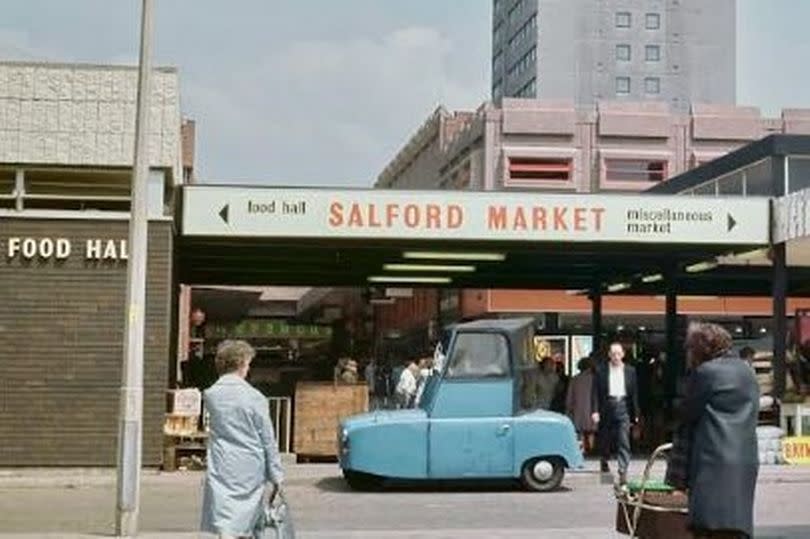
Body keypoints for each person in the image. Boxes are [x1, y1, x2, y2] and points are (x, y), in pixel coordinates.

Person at [665, 323, 759, 539]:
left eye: (690, 349)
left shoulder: (705, 373)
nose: (688, 354)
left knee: (709, 527)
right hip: (744, 461)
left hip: (712, 462)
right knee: (734, 527)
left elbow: (687, 414)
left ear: (700, 349)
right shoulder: (747, 371)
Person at [201, 340, 285, 539]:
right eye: (248, 364)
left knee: (225, 518)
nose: (248, 369)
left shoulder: (211, 395)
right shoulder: (254, 397)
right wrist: (276, 475)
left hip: (221, 461)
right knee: (249, 517)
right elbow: (267, 439)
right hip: (250, 465)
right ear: (241, 364)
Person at [591, 342, 639, 485]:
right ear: (609, 355)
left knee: (623, 439)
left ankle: (622, 471)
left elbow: (634, 393)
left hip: (623, 406)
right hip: (607, 405)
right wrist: (595, 410)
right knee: (605, 440)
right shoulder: (601, 370)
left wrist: (636, 413)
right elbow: (595, 392)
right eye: (613, 354)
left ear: (623, 355)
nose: (616, 356)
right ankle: (605, 467)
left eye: (618, 353)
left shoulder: (630, 371)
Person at [566, 356, 597, 453]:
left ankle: (582, 451)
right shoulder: (595, 379)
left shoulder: (575, 379)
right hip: (592, 409)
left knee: (580, 432)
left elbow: (569, 396)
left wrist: (569, 408)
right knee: (591, 431)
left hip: (578, 409)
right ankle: (591, 450)